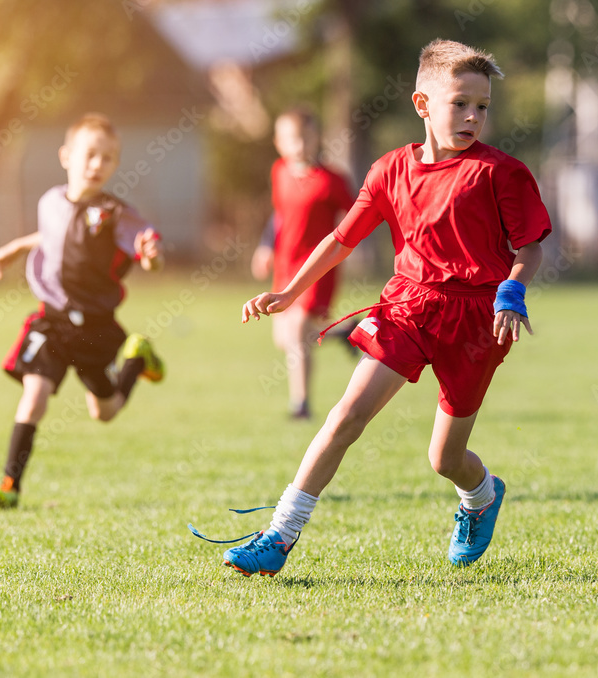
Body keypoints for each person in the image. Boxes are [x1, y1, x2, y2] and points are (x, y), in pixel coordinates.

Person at [197, 39, 551, 576]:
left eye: (482, 106)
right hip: (408, 305)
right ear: (422, 104)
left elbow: (529, 247)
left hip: (476, 321)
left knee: (444, 459)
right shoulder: (390, 170)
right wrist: (289, 292)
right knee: (346, 415)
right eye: (460, 103)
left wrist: (512, 289)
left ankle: (480, 497)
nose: (473, 116)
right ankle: (279, 536)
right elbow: (341, 240)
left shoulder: (500, 173)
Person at [0, 112, 165, 509]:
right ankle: (10, 485)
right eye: (91, 154)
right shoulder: (50, 201)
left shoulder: (115, 213)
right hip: (52, 320)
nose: (98, 164)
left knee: (105, 412)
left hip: (96, 326)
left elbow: (146, 250)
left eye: (109, 158)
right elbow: (52, 234)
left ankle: (135, 359)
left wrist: (152, 256)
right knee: (35, 394)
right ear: (66, 156)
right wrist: (15, 248)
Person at [250, 108, 356, 419]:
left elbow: (356, 216)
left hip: (317, 267)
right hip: (285, 264)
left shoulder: (332, 180)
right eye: (291, 139)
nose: (299, 146)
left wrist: (346, 251)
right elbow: (279, 215)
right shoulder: (279, 172)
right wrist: (265, 246)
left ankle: (301, 404)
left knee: (297, 331)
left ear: (315, 138)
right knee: (284, 339)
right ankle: (343, 333)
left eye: (305, 138)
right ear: (278, 142)